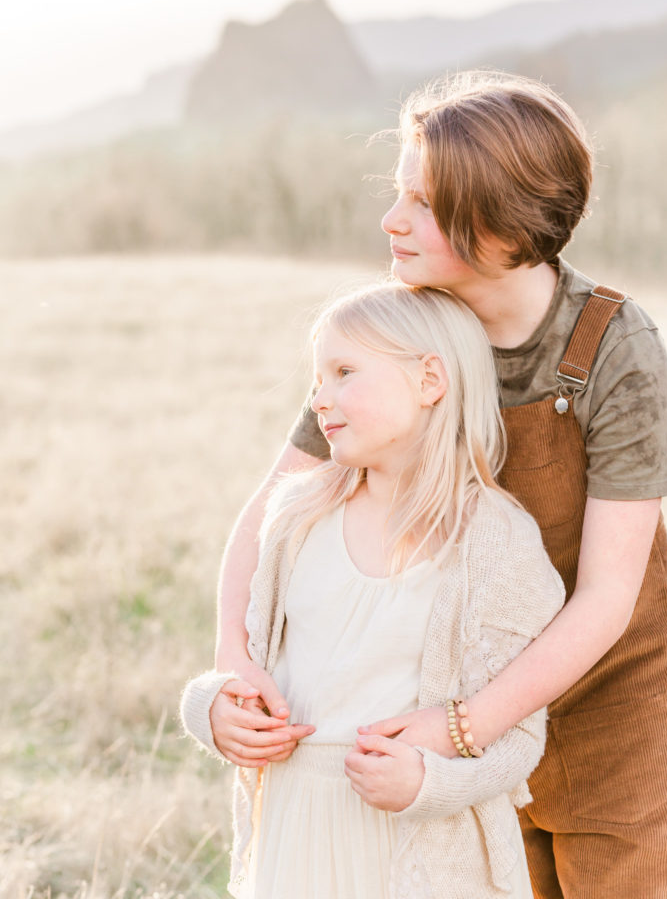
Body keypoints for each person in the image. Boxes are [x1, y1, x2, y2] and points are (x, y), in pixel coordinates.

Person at [207, 72, 667, 899]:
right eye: (398, 192)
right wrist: (231, 665)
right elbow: (275, 504)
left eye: (422, 202)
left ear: (503, 217)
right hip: (441, 696)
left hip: (608, 704)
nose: (391, 220)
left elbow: (608, 598)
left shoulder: (611, 345)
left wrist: (465, 729)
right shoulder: (398, 333)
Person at [181, 281, 565, 898]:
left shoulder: (498, 543)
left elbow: (519, 739)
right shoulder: (295, 517)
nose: (319, 401)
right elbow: (247, 671)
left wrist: (429, 785)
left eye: (344, 372)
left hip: (419, 851)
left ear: (429, 380)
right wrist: (211, 709)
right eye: (316, 380)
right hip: (296, 834)